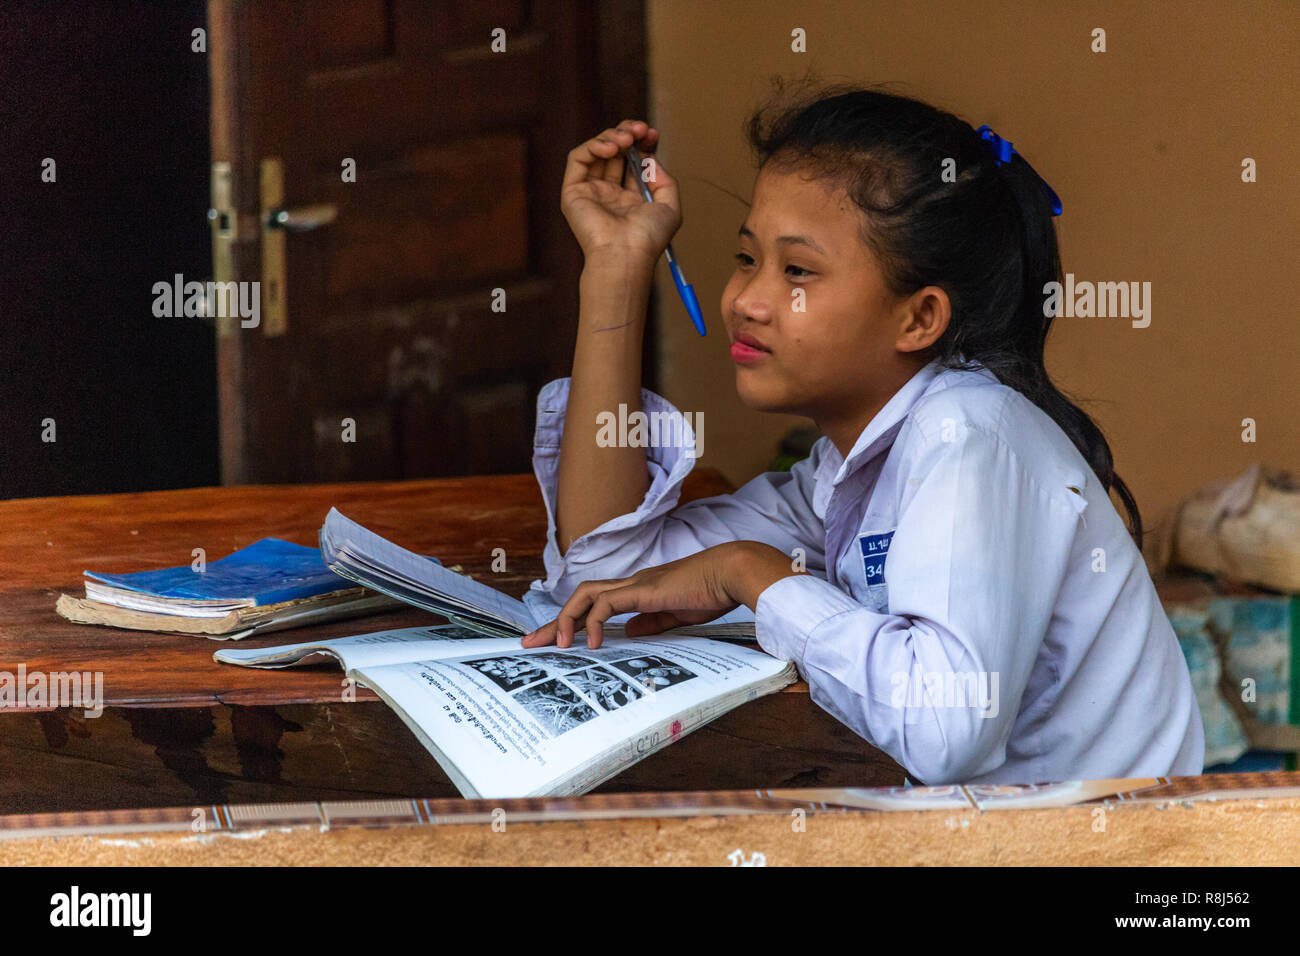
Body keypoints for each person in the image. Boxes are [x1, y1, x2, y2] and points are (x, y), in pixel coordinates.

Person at [519, 82, 1204, 786]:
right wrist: (615, 267)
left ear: (919, 319)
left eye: (797, 272)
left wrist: (753, 573)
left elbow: (944, 726)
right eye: (747, 258)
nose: (748, 301)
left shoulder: (968, 436)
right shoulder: (844, 472)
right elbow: (607, 577)